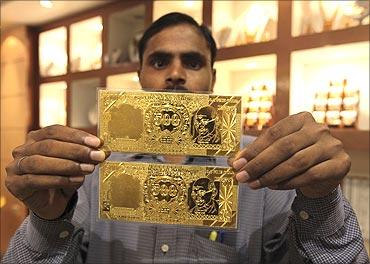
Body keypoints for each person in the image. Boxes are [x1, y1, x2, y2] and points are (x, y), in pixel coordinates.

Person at [3, 12, 369, 264]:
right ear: (140, 75)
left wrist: (322, 204)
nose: (176, 74)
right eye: (160, 62)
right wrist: (47, 220)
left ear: (212, 75)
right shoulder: (90, 168)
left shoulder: (263, 166)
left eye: (192, 62)